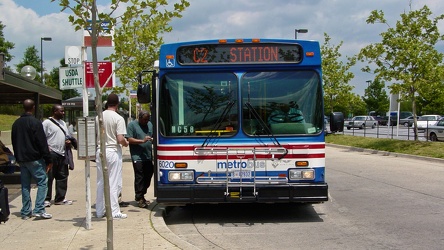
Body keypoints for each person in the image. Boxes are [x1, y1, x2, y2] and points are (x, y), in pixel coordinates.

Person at [11, 99, 53, 220]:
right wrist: (48, 159)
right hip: (35, 158)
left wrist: (18, 156)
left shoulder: (16, 124)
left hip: (22, 159)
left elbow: (14, 141)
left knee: (25, 185)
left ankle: (25, 211)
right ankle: (39, 209)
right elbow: (42, 142)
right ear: (33, 107)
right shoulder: (35, 123)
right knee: (42, 182)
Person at [95, 93, 129, 219]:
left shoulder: (99, 117)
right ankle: (114, 211)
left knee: (101, 182)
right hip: (113, 150)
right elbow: (120, 138)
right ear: (117, 104)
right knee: (113, 182)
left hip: (100, 150)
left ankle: (99, 210)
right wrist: (126, 142)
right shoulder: (118, 118)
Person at [42, 104, 74, 206]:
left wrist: (68, 142)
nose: (63, 113)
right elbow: (42, 137)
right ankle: (46, 199)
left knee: (62, 176)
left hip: (62, 153)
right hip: (52, 153)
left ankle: (60, 198)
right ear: (55, 111)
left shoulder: (63, 123)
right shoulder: (47, 123)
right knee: (49, 176)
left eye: (63, 111)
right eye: (61, 111)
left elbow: (66, 135)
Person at [126, 111, 154, 208]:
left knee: (149, 174)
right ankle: (140, 197)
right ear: (139, 118)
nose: (146, 121)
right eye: (144, 119)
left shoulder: (150, 125)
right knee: (140, 177)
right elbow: (129, 139)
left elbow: (153, 135)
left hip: (148, 156)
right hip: (137, 156)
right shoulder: (132, 125)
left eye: (148, 119)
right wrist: (142, 141)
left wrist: (153, 139)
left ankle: (142, 193)